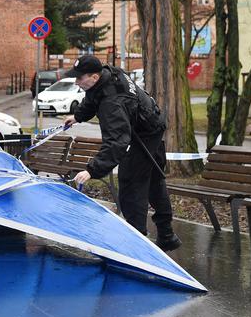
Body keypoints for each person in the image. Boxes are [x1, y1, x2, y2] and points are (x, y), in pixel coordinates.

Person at [63, 55, 181, 252]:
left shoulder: (112, 103)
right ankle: (167, 235)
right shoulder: (107, 76)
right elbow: (93, 98)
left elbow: (117, 141)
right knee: (152, 180)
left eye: (79, 78)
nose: (76, 82)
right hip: (150, 125)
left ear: (93, 76)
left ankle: (136, 245)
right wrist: (77, 116)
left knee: (131, 182)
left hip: (146, 133)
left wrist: (92, 170)